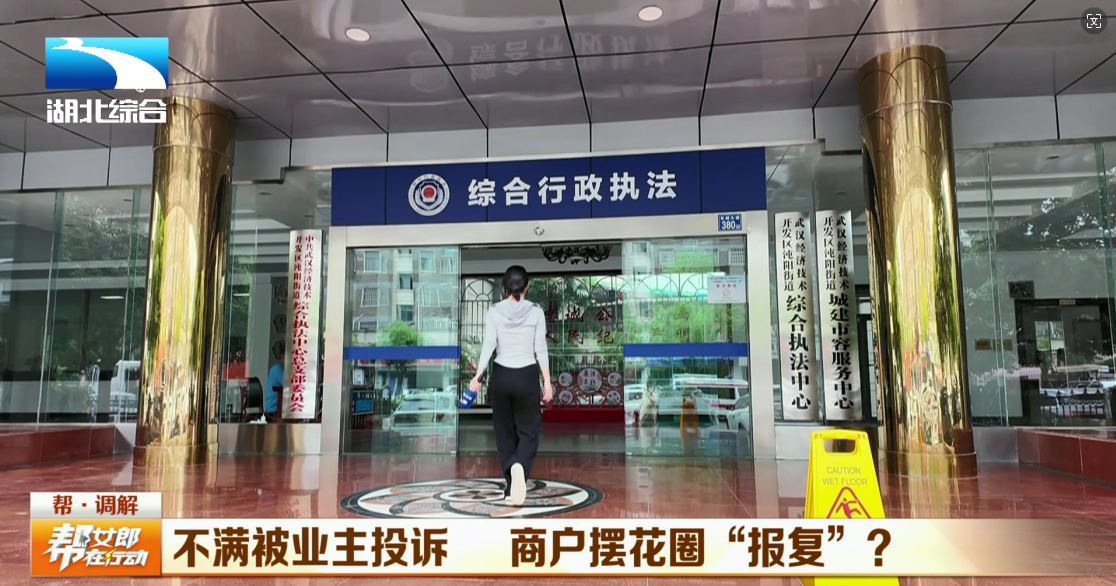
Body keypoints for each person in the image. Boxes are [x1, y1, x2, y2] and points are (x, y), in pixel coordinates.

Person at [469, 265, 553, 506]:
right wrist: (547, 382)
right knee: (529, 432)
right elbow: (540, 349)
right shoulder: (536, 312)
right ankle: (520, 466)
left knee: (504, 433)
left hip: (502, 375)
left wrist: (477, 376)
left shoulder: (494, 311)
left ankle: (511, 487)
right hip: (527, 375)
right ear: (527, 286)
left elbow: (489, 345)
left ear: (504, 286)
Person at [265, 348, 285, 421]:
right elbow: (290, 385)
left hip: (280, 409)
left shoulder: (280, 368)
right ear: (282, 355)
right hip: (274, 410)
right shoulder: (277, 369)